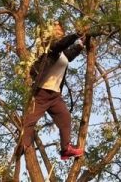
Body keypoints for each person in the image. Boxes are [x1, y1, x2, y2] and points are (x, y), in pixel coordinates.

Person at [21, 21, 86, 160]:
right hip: (42, 93)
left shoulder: (62, 52)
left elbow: (68, 56)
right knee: (29, 121)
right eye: (55, 27)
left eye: (60, 28)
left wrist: (80, 44)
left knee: (65, 118)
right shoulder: (48, 46)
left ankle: (66, 150)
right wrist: (75, 35)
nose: (58, 29)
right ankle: (23, 146)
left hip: (55, 95)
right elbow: (60, 45)